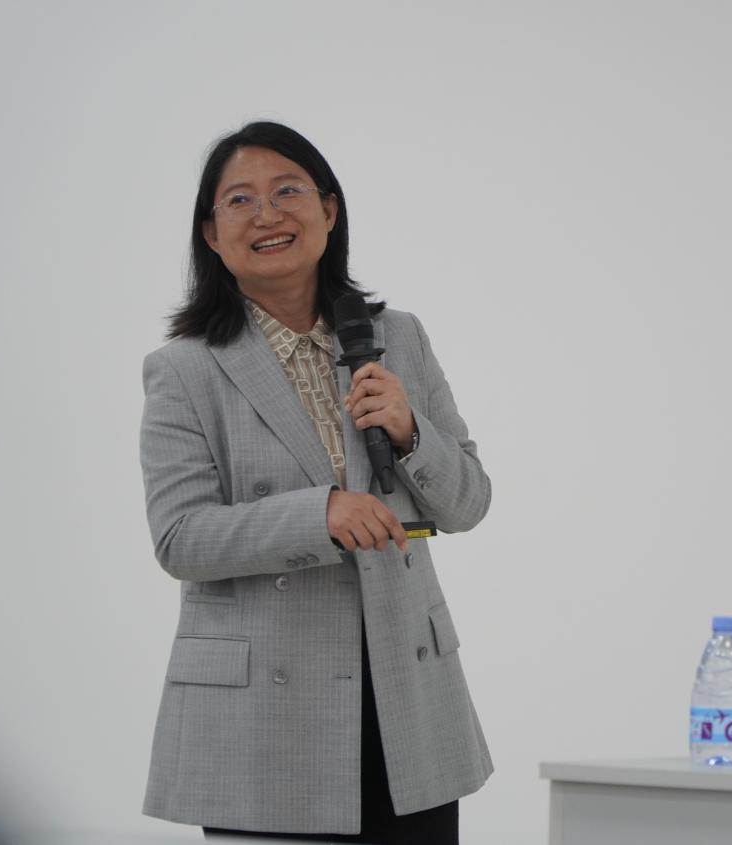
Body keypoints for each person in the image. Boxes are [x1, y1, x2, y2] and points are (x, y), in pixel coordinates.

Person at [138, 121, 492, 844]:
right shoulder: (184, 368)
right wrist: (318, 515)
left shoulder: (400, 337)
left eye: (288, 191)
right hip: (265, 719)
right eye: (240, 200)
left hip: (406, 705)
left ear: (329, 210)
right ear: (211, 233)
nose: (267, 214)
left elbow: (469, 502)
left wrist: (410, 431)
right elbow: (179, 538)